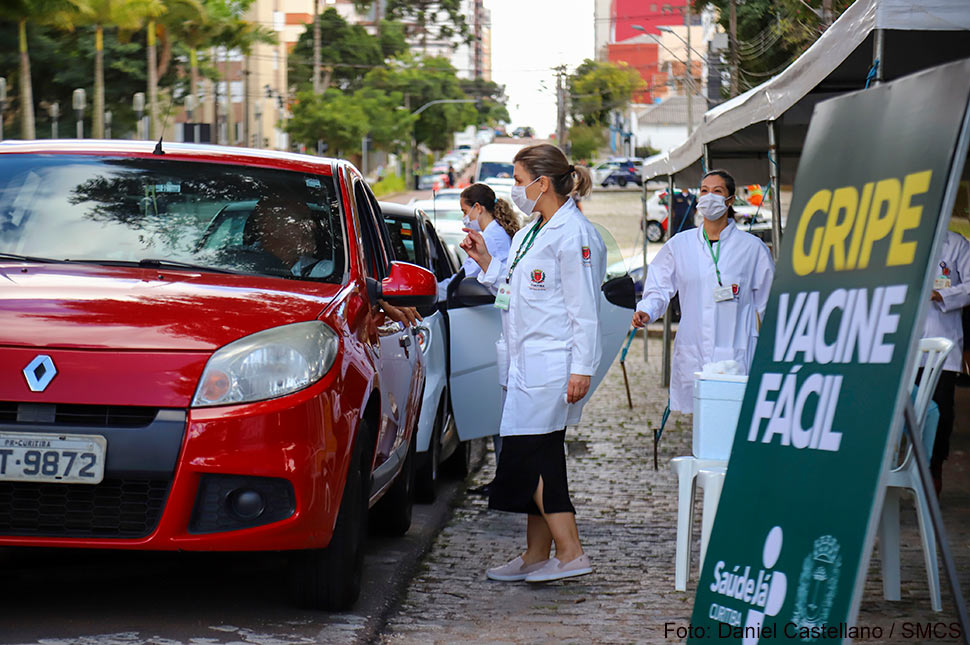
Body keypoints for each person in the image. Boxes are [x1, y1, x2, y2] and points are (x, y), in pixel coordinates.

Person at [461, 143, 604, 583]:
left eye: (520, 181)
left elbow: (584, 309)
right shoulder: (530, 232)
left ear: (543, 183)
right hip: (524, 363)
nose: (515, 189)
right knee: (541, 456)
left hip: (553, 364)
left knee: (530, 457)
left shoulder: (573, 234)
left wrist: (582, 367)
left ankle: (571, 550)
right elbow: (512, 286)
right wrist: (485, 261)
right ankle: (536, 553)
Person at [632, 169, 775, 413]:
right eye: (704, 191)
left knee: (733, 416)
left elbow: (770, 304)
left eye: (717, 191)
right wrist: (647, 310)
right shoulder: (681, 245)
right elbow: (659, 287)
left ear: (730, 200)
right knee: (700, 422)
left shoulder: (752, 249)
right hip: (694, 348)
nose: (709, 197)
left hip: (735, 350)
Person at [920, 229, 970, 494]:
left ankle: (934, 467)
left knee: (940, 412)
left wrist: (941, 296)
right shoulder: (906, 242)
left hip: (943, 342)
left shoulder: (957, 244)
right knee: (904, 412)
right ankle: (904, 465)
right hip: (907, 345)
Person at [438, 183, 517, 300]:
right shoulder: (496, 232)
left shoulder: (490, 238)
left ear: (478, 207)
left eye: (465, 211)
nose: (464, 217)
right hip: (502, 299)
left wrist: (433, 291)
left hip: (501, 299)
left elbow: (466, 277)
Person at [246, 194, 333, 278]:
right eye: (302, 219)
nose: (313, 225)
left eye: (310, 219)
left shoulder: (325, 272)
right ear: (274, 229)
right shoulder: (242, 263)